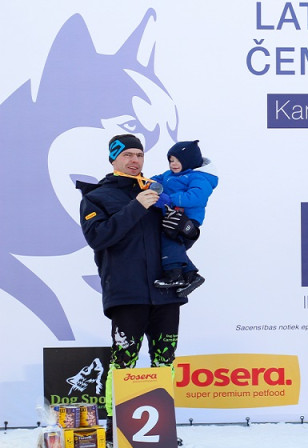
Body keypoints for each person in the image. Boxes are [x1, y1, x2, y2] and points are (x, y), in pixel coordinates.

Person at [76, 134, 199, 446]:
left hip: (167, 290)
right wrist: (136, 206)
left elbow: (183, 238)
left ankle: (163, 430)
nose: (134, 161)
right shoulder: (98, 196)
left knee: (166, 361)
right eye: (128, 154)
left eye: (139, 155)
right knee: (124, 360)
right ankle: (113, 428)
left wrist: (185, 229)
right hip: (127, 292)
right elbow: (99, 238)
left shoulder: (158, 190)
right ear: (113, 158)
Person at [150, 140, 218, 297]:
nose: (173, 164)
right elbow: (157, 179)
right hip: (173, 215)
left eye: (178, 160)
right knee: (171, 242)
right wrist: (149, 184)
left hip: (188, 218)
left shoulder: (199, 177)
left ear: (189, 161)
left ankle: (175, 276)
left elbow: (197, 196)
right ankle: (191, 276)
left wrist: (169, 199)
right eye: (171, 160)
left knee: (170, 239)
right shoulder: (169, 175)